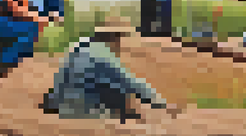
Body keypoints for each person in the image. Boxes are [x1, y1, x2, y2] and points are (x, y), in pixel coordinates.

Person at [41, 23, 180, 121]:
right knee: (120, 91)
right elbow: (130, 83)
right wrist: (161, 103)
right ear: (111, 38)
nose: (119, 43)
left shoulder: (78, 46)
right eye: (118, 38)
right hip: (77, 108)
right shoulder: (102, 54)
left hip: (59, 101)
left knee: (105, 83)